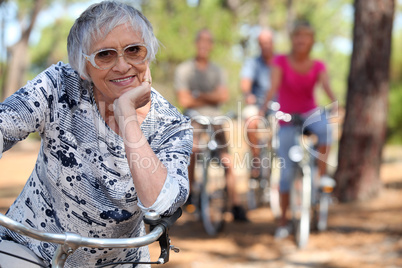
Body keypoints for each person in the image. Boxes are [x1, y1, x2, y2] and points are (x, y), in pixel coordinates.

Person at [0, 1, 193, 267]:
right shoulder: (60, 86)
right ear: (83, 66)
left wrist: (127, 118)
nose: (123, 66)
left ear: (147, 55)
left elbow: (162, 204)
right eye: (105, 54)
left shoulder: (172, 125)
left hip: (119, 260)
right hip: (31, 248)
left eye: (134, 50)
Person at [260, 21, 337, 239]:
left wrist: (338, 105)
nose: (301, 40)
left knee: (326, 129)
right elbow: (272, 89)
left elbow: (328, 89)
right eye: (297, 36)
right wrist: (261, 112)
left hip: (310, 115)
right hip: (287, 119)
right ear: (292, 39)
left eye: (306, 36)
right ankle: (283, 222)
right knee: (285, 173)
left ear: (312, 41)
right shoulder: (280, 61)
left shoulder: (318, 65)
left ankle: (322, 176)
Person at [175, 28, 248, 221]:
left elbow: (223, 96)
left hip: (216, 119)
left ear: (211, 45)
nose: (204, 45)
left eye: (209, 41)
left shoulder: (217, 71)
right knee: (192, 149)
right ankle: (189, 194)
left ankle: (236, 204)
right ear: (196, 43)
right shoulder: (184, 70)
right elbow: (185, 100)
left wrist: (198, 95)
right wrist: (209, 98)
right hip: (194, 118)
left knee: (227, 159)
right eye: (202, 41)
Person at [240, 28, 274, 179]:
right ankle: (256, 159)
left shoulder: (281, 62)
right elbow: (245, 83)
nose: (265, 46)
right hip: (258, 104)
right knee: (250, 121)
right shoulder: (252, 63)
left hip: (278, 107)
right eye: (262, 43)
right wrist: (248, 95)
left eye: (268, 42)